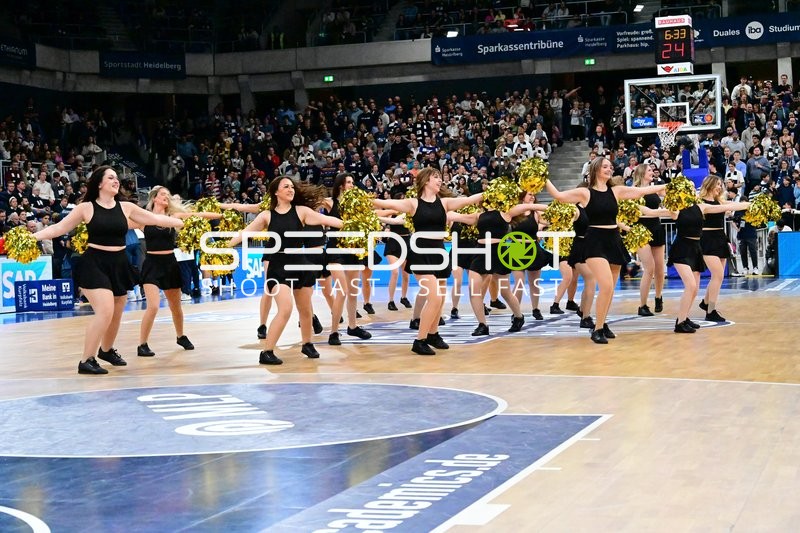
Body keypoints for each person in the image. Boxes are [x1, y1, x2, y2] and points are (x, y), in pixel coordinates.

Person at [33, 166, 184, 374]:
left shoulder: (126, 207)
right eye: (111, 177)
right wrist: (31, 237)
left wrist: (179, 221)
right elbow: (58, 228)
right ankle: (86, 360)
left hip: (119, 263)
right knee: (105, 311)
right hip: (95, 263)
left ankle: (106, 350)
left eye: (117, 178)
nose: (116, 181)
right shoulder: (86, 208)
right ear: (100, 183)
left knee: (117, 311)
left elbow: (155, 219)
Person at [546, 157, 665, 344]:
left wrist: (661, 187)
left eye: (611, 167)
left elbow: (639, 191)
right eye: (605, 167)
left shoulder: (616, 191)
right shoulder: (585, 193)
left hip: (614, 240)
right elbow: (559, 196)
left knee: (609, 291)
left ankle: (601, 323)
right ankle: (597, 329)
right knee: (607, 286)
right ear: (595, 169)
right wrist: (542, 177)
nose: (609, 169)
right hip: (594, 242)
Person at [229, 177, 344, 364]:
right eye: (286, 187)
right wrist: (226, 245)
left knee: (305, 310)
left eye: (292, 186)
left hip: (300, 263)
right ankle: (267, 352)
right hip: (278, 265)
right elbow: (246, 232)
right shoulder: (267, 215)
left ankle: (307, 344)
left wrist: (352, 226)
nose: (290, 189)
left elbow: (326, 219)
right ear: (276, 192)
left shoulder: (302, 211)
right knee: (285, 308)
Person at [373, 167, 482, 355]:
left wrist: (490, 192)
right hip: (420, 254)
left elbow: (468, 200)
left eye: (440, 177)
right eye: (436, 178)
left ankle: (433, 333)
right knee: (435, 297)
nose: (439, 181)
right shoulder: (413, 204)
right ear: (425, 181)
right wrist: (363, 200)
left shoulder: (445, 202)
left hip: (439, 253)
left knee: (440, 299)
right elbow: (385, 202)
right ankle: (419, 340)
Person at [135, 186, 221, 357]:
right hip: (151, 264)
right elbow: (123, 223)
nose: (166, 197)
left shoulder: (173, 216)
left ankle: (180, 336)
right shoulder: (144, 219)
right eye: (163, 194)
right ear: (154, 198)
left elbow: (199, 215)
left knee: (176, 307)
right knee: (153, 306)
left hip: (170, 264)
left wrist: (221, 215)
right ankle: (142, 344)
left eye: (168, 194)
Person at [665, 196, 750, 332]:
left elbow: (724, 207)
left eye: (692, 188)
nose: (691, 191)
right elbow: (658, 212)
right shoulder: (676, 208)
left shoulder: (701, 207)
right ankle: (679, 324)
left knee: (695, 287)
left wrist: (748, 205)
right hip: (681, 248)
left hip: (695, 248)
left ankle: (684, 317)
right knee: (691, 285)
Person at [321, 172, 373, 346]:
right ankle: (334, 332)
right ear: (341, 185)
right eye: (349, 182)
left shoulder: (357, 204)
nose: (352, 184)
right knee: (342, 291)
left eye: (352, 182)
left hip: (352, 249)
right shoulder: (330, 202)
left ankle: (352, 326)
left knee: (352, 291)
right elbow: (308, 204)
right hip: (335, 249)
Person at [697, 176, 734, 322]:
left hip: (720, 237)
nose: (719, 187)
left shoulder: (720, 201)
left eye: (720, 184)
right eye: (717, 184)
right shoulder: (700, 202)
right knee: (718, 274)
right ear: (709, 184)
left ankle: (706, 303)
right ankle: (710, 311)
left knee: (718, 276)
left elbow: (728, 208)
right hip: (706, 238)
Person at [632, 164, 666, 316]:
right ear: (642, 173)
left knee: (659, 268)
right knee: (649, 268)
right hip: (641, 231)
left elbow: (669, 197)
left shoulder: (655, 188)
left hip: (656, 228)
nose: (653, 172)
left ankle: (658, 296)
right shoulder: (633, 190)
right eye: (650, 170)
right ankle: (642, 305)